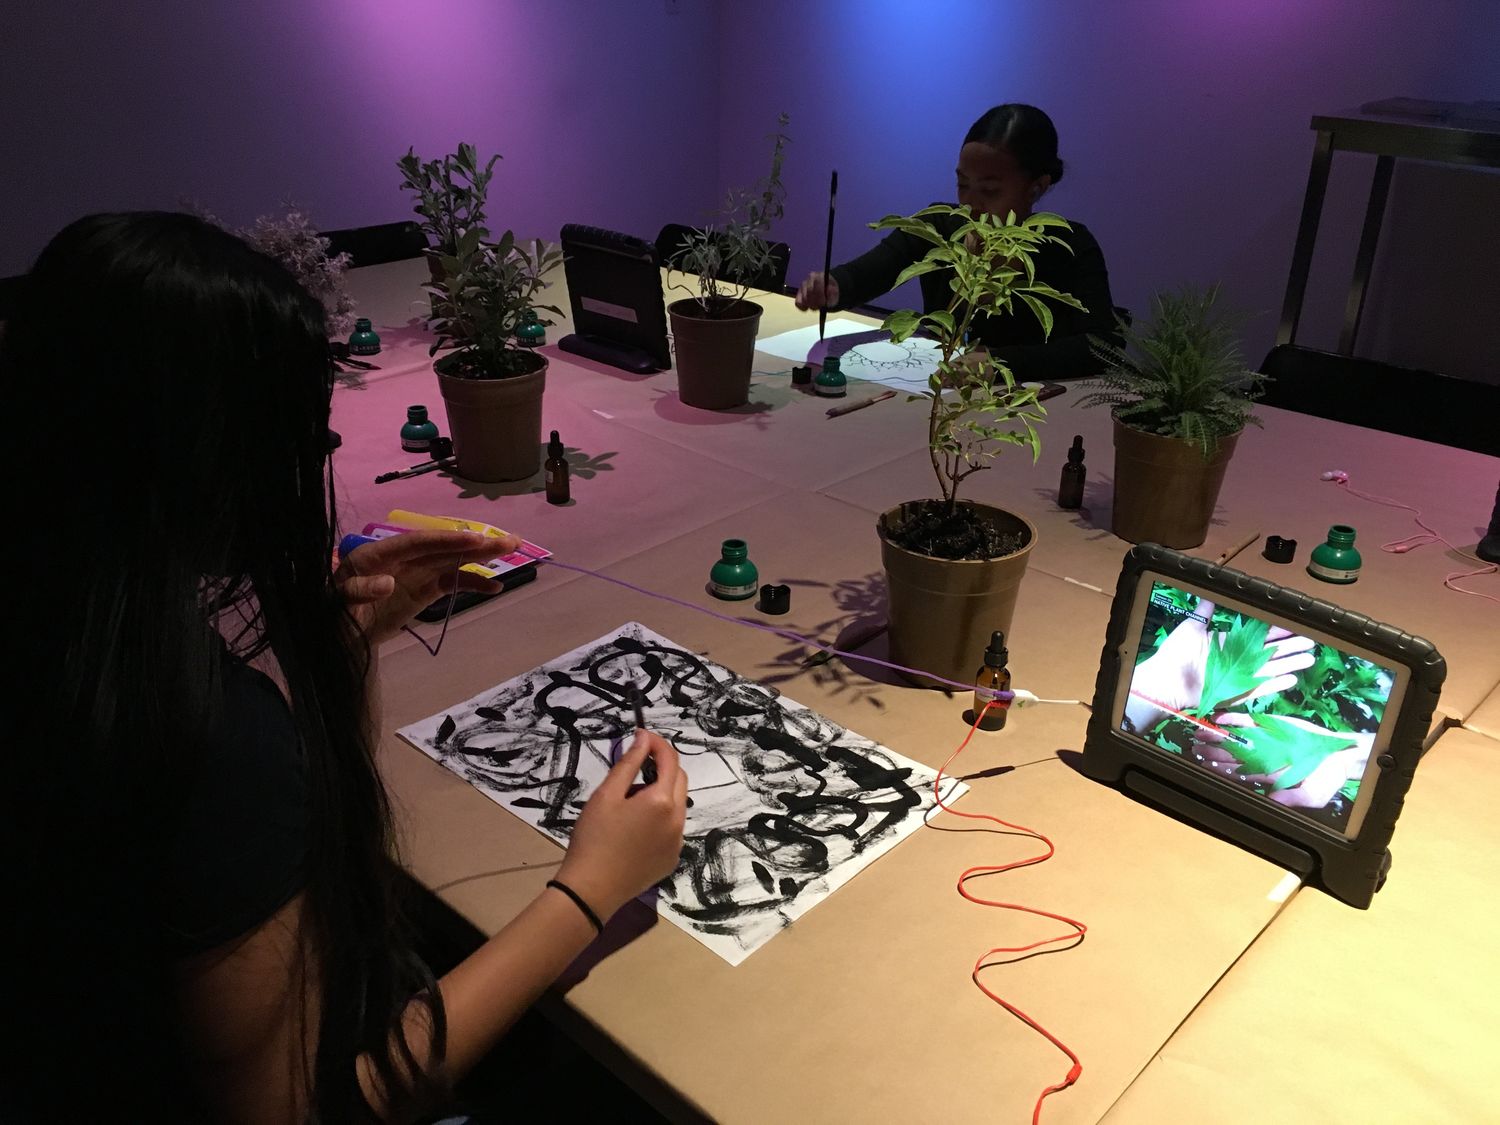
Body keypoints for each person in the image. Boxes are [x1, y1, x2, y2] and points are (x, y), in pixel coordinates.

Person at [1, 212, 688, 1123]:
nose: (313, 465)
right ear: (217, 459)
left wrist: (339, 657)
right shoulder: (198, 729)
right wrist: (590, 887)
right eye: (306, 440)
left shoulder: (58, 629)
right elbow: (317, 1104)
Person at [795, 104, 1120, 379]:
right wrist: (833, 285)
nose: (970, 204)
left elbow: (1102, 345)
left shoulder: (1070, 248)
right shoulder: (939, 227)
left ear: (1036, 188)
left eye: (990, 190)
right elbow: (874, 270)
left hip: (1028, 411)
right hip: (942, 393)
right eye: (962, 184)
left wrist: (999, 363)